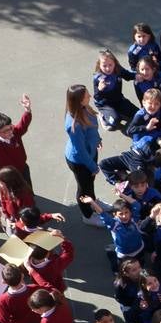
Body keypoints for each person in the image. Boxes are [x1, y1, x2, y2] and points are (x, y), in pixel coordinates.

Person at [64, 84, 103, 225]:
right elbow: (80, 151)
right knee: (84, 188)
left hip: (90, 153)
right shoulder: (74, 125)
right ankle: (87, 215)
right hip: (81, 161)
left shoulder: (85, 109)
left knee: (89, 183)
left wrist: (97, 139)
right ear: (79, 101)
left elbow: (92, 129)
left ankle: (93, 201)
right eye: (87, 96)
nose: (90, 96)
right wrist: (93, 167)